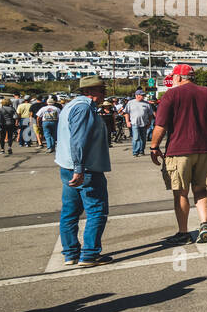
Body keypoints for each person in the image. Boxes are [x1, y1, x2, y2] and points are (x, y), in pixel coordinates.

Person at [149, 63, 207, 245]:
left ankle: (183, 232)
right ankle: (204, 224)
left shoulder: (171, 95)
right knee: (201, 189)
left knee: (180, 193)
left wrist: (154, 146)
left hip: (179, 150)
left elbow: (160, 126)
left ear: (178, 77)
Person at [55, 76, 112, 266]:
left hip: (68, 165)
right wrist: (79, 168)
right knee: (97, 210)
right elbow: (79, 140)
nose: (105, 94)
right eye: (102, 90)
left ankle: (71, 253)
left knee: (70, 211)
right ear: (92, 92)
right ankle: (89, 254)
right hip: (84, 169)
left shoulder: (70, 106)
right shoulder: (84, 107)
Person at [125, 89, 154, 156]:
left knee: (143, 138)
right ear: (137, 95)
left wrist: (149, 123)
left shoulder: (147, 104)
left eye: (143, 95)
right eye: (142, 95)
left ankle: (141, 151)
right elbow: (126, 113)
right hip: (134, 123)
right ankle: (135, 152)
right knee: (136, 138)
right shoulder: (130, 103)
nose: (143, 96)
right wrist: (127, 121)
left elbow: (150, 115)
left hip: (144, 124)